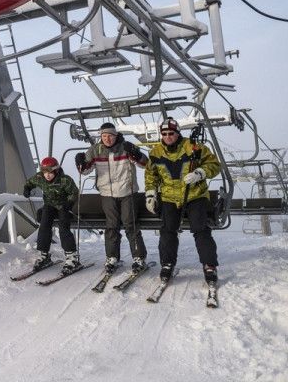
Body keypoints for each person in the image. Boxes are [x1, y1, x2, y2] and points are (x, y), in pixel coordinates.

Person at [144, 117, 220, 283]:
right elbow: (151, 175)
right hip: (169, 197)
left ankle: (209, 265)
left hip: (194, 195)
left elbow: (214, 165)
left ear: (178, 133)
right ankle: (167, 263)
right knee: (168, 230)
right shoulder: (156, 152)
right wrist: (150, 194)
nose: (168, 136)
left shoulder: (194, 148)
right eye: (164, 134)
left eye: (171, 133)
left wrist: (200, 173)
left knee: (200, 229)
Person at [75, 122, 149, 274]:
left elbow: (145, 164)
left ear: (116, 136)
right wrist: (80, 163)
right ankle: (112, 257)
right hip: (107, 193)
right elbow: (85, 171)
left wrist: (135, 154)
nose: (107, 139)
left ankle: (139, 258)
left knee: (130, 224)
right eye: (104, 136)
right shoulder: (96, 150)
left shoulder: (126, 146)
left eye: (110, 136)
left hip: (127, 192)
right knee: (111, 226)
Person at [23, 156, 81, 275]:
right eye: (45, 172)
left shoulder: (65, 180)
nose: (47, 175)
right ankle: (43, 255)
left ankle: (72, 258)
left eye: (50, 172)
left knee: (63, 228)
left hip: (63, 206)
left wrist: (69, 203)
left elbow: (74, 193)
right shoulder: (40, 177)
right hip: (49, 205)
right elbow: (30, 182)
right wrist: (27, 188)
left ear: (56, 171)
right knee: (44, 227)